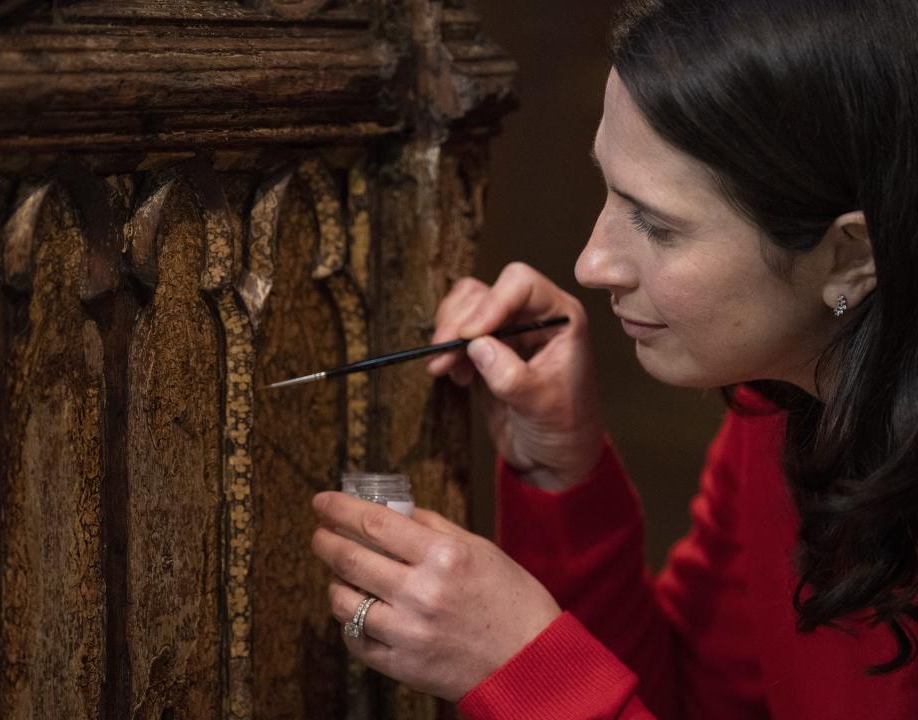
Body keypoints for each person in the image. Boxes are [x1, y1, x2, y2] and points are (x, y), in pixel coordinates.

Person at [310, 0, 918, 717]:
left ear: (848, 256)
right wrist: (565, 476)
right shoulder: (780, 410)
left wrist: (522, 669)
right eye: (608, 188)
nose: (592, 264)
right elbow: (696, 702)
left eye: (657, 225)